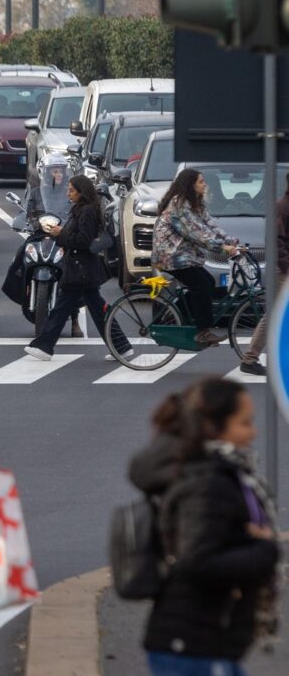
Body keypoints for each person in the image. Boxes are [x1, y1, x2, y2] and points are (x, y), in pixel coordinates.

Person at [128, 377, 279, 676]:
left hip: (198, 641)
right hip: (196, 645)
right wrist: (264, 550)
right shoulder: (209, 482)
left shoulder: (212, 471)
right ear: (214, 426)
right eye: (245, 423)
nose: (254, 432)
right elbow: (198, 560)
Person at [24, 174, 131, 361]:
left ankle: (44, 346)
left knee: (61, 309)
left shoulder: (87, 211)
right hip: (82, 270)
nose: (68, 193)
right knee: (97, 311)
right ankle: (121, 347)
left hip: (80, 269)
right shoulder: (82, 209)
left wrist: (60, 233)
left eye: (72, 190)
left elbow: (83, 240)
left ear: (82, 192)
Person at [152, 168, 240, 348]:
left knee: (207, 281)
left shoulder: (195, 203)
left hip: (184, 255)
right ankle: (203, 331)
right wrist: (221, 247)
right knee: (201, 284)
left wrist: (232, 241)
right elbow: (196, 232)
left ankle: (180, 318)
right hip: (171, 256)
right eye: (201, 182)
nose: (205, 184)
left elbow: (209, 224)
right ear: (191, 185)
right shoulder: (178, 205)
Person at [24, 155, 83, 338]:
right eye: (54, 170)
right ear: (46, 173)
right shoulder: (35, 192)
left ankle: (74, 319)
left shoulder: (69, 192)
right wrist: (29, 221)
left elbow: (75, 212)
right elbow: (27, 213)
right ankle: (20, 287)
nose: (58, 174)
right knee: (20, 255)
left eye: (60, 171)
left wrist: (70, 226)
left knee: (74, 268)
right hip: (40, 233)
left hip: (63, 234)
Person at [238, 170, 289, 375]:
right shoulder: (282, 208)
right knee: (275, 314)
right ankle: (250, 358)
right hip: (283, 269)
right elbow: (276, 242)